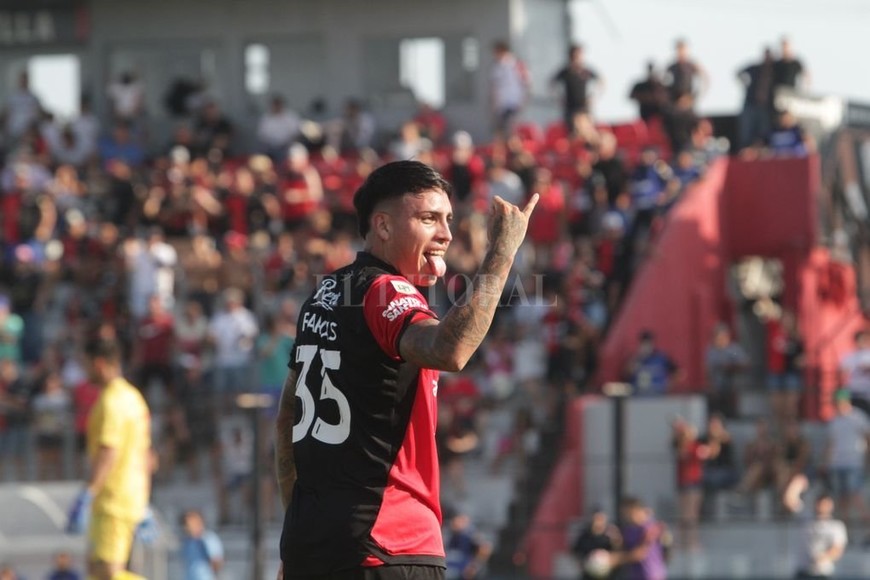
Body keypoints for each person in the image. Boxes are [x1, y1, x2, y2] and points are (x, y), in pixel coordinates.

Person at [274, 160, 538, 579]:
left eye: (448, 219)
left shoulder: (325, 294)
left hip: (314, 547)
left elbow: (287, 416)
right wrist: (503, 252)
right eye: (429, 218)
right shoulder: (386, 290)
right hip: (389, 544)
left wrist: (303, 530)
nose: (446, 233)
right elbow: (450, 350)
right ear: (382, 225)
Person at [66, 337, 152, 580]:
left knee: (108, 572)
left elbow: (108, 450)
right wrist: (144, 500)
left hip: (112, 499)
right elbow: (146, 453)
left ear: (99, 364)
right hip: (130, 495)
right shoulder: (134, 398)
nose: (84, 372)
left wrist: (89, 492)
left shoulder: (111, 402)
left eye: (86, 364)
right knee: (95, 569)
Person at [825, 389, 870, 525]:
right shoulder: (834, 420)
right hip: (837, 463)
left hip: (853, 463)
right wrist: (827, 462)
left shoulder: (858, 417)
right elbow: (831, 443)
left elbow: (867, 438)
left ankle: (867, 524)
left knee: (855, 495)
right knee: (842, 498)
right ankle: (844, 527)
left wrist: (867, 459)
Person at [550, 44, 604, 136]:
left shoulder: (586, 71)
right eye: (575, 55)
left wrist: (594, 97)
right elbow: (552, 84)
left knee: (588, 130)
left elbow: (601, 82)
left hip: (584, 107)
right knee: (574, 132)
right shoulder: (565, 72)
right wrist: (558, 98)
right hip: (571, 108)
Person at [795, 494, 847, 578]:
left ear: (831, 506)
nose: (822, 507)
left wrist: (822, 558)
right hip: (803, 572)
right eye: (820, 504)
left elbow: (838, 549)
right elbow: (790, 501)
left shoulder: (836, 526)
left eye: (825, 505)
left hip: (823, 573)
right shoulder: (805, 519)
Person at [570, 506, 621, 579]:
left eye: (601, 519)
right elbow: (575, 552)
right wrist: (584, 562)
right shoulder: (584, 537)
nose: (598, 522)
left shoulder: (610, 536)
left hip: (608, 576)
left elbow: (619, 553)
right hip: (589, 575)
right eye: (596, 519)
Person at [444, 510, 493, 580]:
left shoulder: (470, 534)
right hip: (447, 571)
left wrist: (474, 567)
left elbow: (485, 548)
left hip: (463, 573)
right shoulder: (447, 533)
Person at [180, 509, 224, 580]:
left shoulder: (208, 538)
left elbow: (216, 561)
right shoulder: (187, 541)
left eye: (190, 523)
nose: (187, 527)